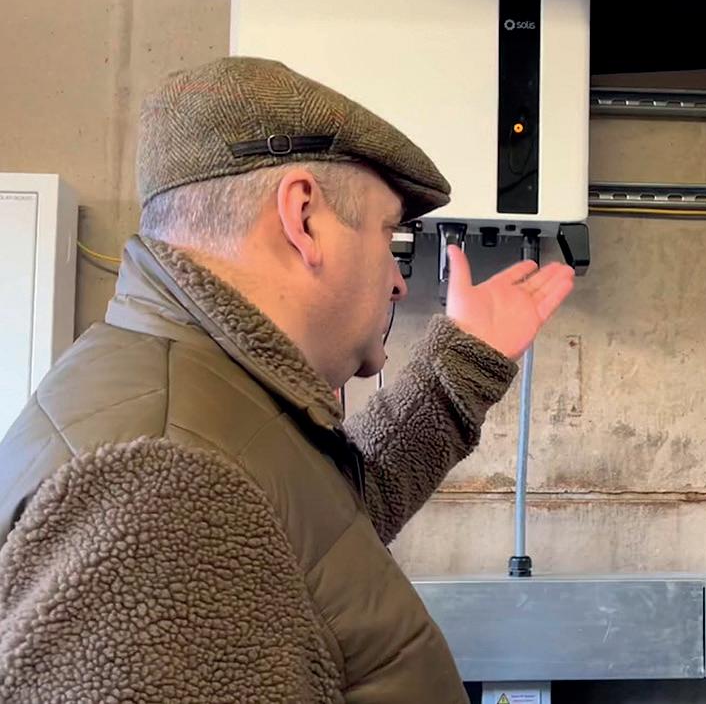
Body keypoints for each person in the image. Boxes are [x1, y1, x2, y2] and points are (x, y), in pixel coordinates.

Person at [0, 56, 575, 703]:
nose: (395, 279)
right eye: (389, 233)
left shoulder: (190, 393)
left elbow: (316, 531)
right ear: (303, 218)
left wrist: (459, 369)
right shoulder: (162, 485)